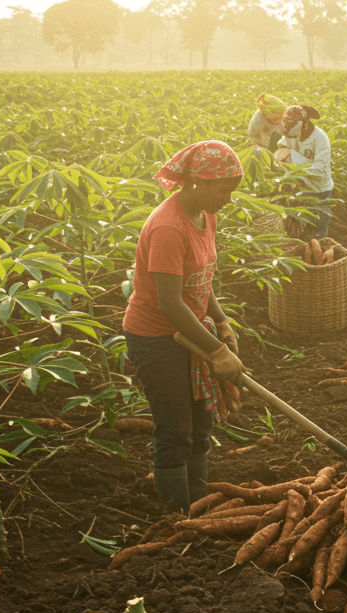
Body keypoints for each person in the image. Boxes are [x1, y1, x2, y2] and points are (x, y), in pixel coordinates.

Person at [122, 140, 246, 515]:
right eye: (223, 190)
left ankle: (200, 502)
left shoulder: (206, 213)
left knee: (200, 420)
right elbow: (171, 303)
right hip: (156, 337)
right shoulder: (167, 229)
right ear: (196, 182)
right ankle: (176, 514)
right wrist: (216, 351)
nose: (228, 198)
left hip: (189, 328)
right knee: (175, 427)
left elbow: (200, 280)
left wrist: (221, 322)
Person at [278, 104, 334, 239]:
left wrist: (294, 174)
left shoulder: (320, 138)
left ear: (305, 123)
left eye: (291, 123)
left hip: (319, 189)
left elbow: (320, 169)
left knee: (318, 234)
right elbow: (282, 151)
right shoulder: (292, 135)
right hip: (300, 188)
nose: (288, 127)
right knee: (298, 232)